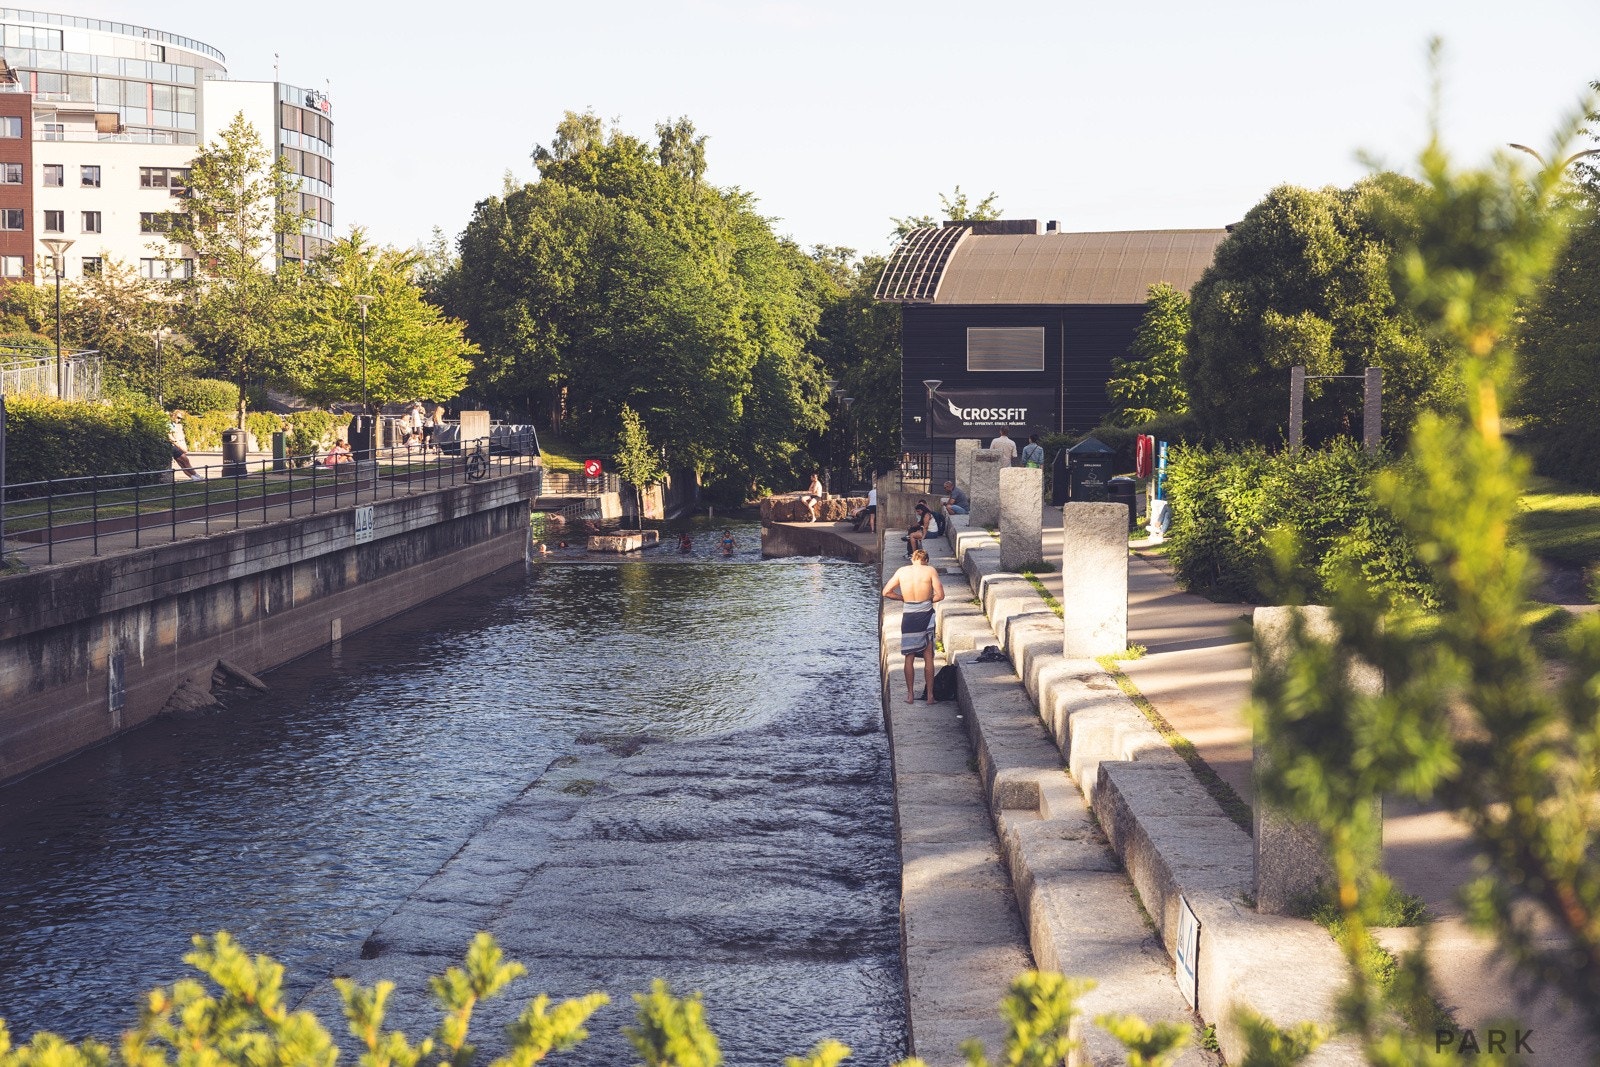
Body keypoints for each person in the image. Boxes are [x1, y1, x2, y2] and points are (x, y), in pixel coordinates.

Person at [882, 548, 946, 705]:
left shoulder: (902, 571)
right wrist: (928, 600)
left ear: (913, 559)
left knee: (909, 656)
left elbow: (886, 592)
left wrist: (902, 598)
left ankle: (910, 695)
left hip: (909, 616)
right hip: (925, 615)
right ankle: (930, 696)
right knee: (928, 655)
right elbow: (940, 595)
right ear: (926, 560)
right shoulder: (930, 570)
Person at [167, 410, 198, 479]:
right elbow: (170, 438)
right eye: (178, 417)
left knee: (182, 464)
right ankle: (196, 475)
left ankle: (193, 477)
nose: (179, 420)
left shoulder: (173, 424)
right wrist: (181, 448)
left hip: (175, 446)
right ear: (173, 415)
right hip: (174, 446)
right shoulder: (168, 424)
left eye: (180, 418)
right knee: (186, 461)